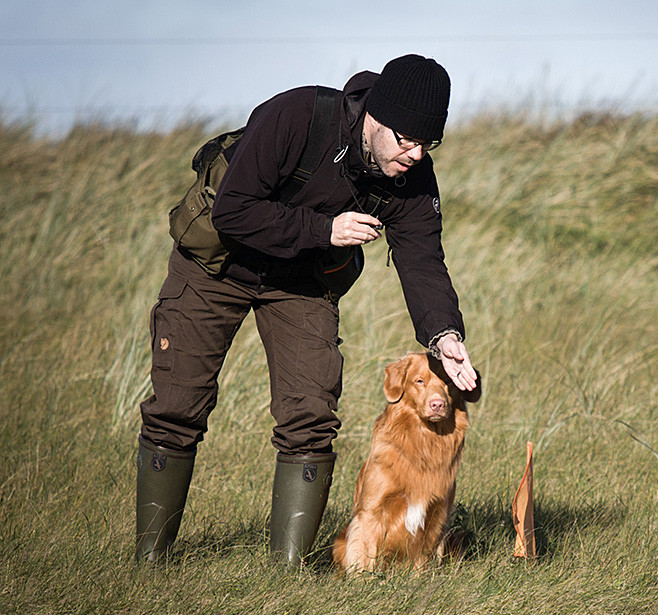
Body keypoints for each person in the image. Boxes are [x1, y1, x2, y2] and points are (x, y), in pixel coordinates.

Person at [134, 54, 478, 568]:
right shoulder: (297, 117)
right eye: (407, 139)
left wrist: (444, 336)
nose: (415, 154)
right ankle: (150, 562)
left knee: (311, 416)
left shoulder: (412, 176)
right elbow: (232, 209)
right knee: (176, 408)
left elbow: (423, 260)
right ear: (376, 117)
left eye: (428, 144)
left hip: (300, 283)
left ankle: (287, 575)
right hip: (217, 265)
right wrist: (325, 229)